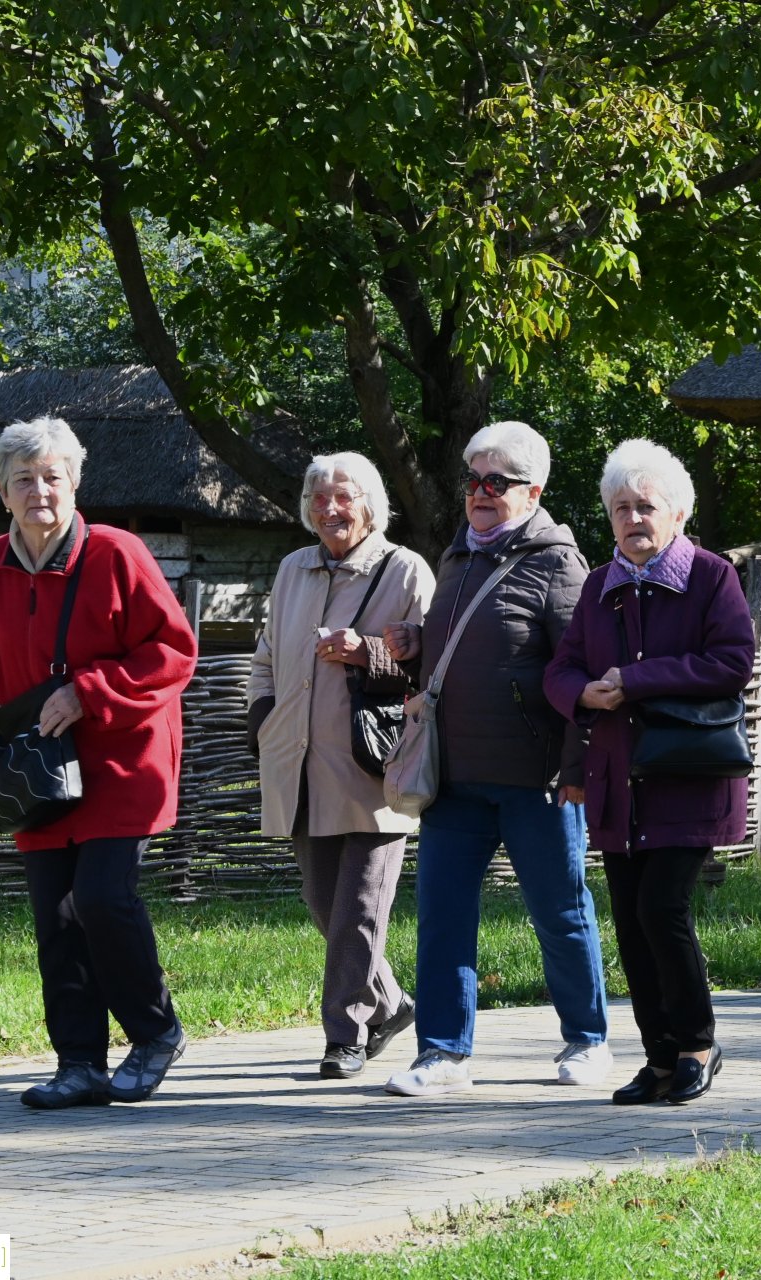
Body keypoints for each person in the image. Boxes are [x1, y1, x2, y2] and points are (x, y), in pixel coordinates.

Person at [0, 417, 197, 1108]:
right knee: (55, 917)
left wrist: (88, 690)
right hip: (38, 771)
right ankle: (80, 1063)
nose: (40, 491)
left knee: (99, 898)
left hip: (126, 760)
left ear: (75, 483)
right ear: (2, 492)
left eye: (53, 477)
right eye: (24, 479)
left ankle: (156, 1033)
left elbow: (171, 653)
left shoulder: (118, 555)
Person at [378, 421, 609, 1096]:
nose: (480, 493)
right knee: (444, 915)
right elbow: (474, 643)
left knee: (559, 910)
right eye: (473, 479)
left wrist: (575, 770)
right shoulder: (456, 557)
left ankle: (588, 1042)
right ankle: (443, 1056)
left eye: (497, 482)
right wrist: (415, 642)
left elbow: (581, 675)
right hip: (455, 778)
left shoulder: (559, 564)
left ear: (533, 490)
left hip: (536, 780)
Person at [545, 439, 755, 1104]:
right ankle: (659, 1060)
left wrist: (633, 682)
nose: (634, 519)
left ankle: (697, 1043)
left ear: (678, 514)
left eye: (646, 507)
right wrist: (584, 693)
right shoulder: (598, 589)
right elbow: (561, 669)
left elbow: (731, 661)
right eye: (621, 508)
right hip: (617, 782)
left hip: (686, 777)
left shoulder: (712, 577)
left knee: (662, 908)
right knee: (631, 924)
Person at [248, 452, 435, 1079]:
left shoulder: (405, 569)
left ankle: (346, 1033)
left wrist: (369, 655)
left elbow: (434, 666)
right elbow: (266, 654)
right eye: (319, 498)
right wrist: (262, 716)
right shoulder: (292, 568)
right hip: (299, 763)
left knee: (359, 907)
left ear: (370, 503)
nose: (330, 508)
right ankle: (391, 1003)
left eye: (344, 496)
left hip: (376, 767)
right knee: (323, 902)